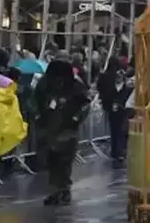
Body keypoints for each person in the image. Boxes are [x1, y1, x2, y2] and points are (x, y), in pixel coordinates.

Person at [34, 59, 92, 206]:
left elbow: (86, 104)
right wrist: (37, 115)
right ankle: (55, 191)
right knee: (51, 161)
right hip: (48, 128)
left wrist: (76, 117)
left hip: (68, 129)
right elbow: (34, 101)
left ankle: (64, 189)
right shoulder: (44, 84)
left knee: (65, 161)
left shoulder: (75, 86)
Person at [96, 57, 131, 162]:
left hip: (114, 106)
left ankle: (117, 150)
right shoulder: (112, 79)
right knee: (117, 129)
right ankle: (117, 151)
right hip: (114, 106)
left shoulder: (105, 77)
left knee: (117, 129)